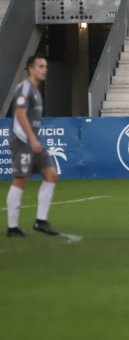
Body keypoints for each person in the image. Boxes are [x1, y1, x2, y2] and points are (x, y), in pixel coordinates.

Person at [6, 54, 60, 238]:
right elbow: (20, 114)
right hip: (22, 141)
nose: (45, 69)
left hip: (33, 141)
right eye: (41, 66)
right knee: (20, 180)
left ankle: (41, 221)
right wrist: (32, 138)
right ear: (31, 69)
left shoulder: (36, 90)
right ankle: (12, 228)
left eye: (46, 66)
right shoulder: (25, 88)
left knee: (51, 174)